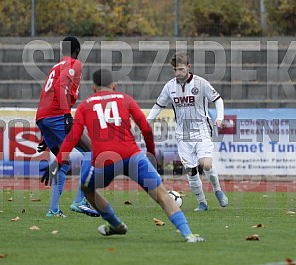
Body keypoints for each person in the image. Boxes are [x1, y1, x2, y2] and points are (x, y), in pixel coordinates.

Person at [45, 68, 205, 243]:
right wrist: (150, 153)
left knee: (87, 189)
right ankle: (188, 234)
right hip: (133, 157)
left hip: (104, 161)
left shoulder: (85, 105)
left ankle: (115, 224)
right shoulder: (125, 99)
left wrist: (58, 162)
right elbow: (145, 128)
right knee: (162, 195)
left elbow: (73, 137)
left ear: (93, 88)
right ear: (114, 86)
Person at [147, 51, 229, 211]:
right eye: (175, 70)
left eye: (181, 69)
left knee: (205, 164)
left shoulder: (201, 83)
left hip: (202, 131)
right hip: (183, 135)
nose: (178, 73)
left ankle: (218, 190)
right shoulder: (170, 86)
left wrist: (220, 117)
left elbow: (218, 100)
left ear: (189, 68)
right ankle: (202, 202)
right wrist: (148, 121)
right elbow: (159, 105)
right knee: (191, 171)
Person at [36, 36, 99, 217]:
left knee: (63, 163)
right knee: (91, 151)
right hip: (56, 115)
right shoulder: (74, 64)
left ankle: (53, 210)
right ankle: (80, 200)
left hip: (44, 117)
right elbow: (60, 87)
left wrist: (45, 131)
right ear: (77, 52)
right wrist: (65, 115)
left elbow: (46, 93)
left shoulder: (56, 67)